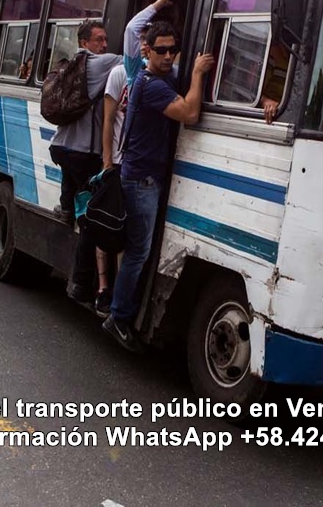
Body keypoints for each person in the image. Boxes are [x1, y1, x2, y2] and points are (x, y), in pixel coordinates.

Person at [102, 21, 214, 351]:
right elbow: (190, 114)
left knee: (138, 250)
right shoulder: (151, 85)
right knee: (138, 252)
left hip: (146, 177)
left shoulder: (161, 77)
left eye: (172, 50)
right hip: (140, 181)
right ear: (147, 51)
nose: (168, 56)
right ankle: (118, 318)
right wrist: (196, 75)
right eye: (161, 50)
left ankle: (121, 312)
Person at [50, 20, 123, 310]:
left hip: (63, 147)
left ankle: (66, 208)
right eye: (99, 40)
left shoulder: (73, 67)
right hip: (81, 153)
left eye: (105, 40)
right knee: (90, 220)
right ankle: (80, 284)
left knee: (74, 206)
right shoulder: (96, 65)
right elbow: (129, 59)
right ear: (84, 43)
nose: (104, 45)